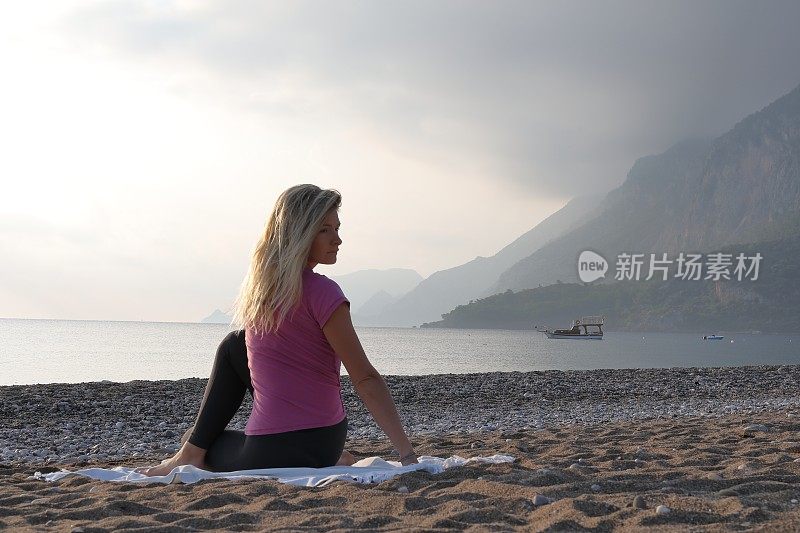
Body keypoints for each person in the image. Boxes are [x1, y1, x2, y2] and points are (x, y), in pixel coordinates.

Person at [137, 184, 417, 475]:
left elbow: (365, 377)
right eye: (325, 230)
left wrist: (407, 456)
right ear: (299, 232)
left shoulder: (269, 294)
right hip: (327, 440)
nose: (338, 239)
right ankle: (193, 451)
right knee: (236, 345)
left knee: (196, 439)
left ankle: (189, 454)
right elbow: (361, 376)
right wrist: (406, 454)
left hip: (275, 450)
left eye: (336, 228)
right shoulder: (321, 293)